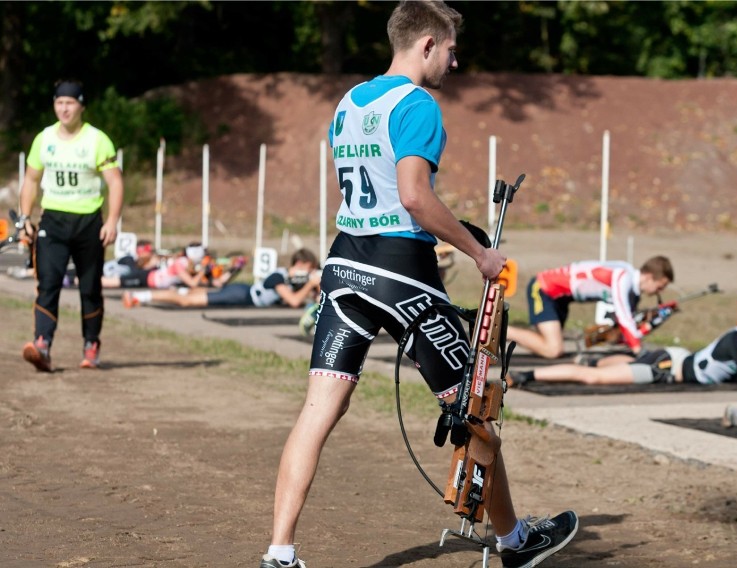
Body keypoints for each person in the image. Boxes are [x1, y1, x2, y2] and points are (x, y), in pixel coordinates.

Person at [259, 3, 577, 568]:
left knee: (318, 409)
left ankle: (279, 552)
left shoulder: (350, 102)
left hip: (345, 265)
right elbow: (412, 197)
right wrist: (478, 251)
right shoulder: (418, 105)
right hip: (400, 272)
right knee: (473, 408)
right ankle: (515, 543)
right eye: (451, 50)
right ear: (427, 44)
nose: (455, 62)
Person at [18, 79, 124, 371]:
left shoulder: (97, 140)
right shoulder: (44, 139)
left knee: (89, 287)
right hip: (53, 220)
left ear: (82, 106)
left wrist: (112, 221)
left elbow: (115, 182)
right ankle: (42, 344)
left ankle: (91, 344)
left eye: (70, 103)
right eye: (59, 102)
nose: (64, 109)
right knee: (48, 283)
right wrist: (24, 218)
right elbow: (31, 180)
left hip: (89, 222)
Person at [508, 296, 737, 389]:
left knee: (616, 365)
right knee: (594, 378)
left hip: (672, 359)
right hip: (667, 367)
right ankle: (528, 375)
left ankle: (591, 359)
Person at [505, 256, 674, 359]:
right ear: (650, 277)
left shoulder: (629, 279)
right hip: (544, 289)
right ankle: (500, 329)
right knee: (552, 349)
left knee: (550, 347)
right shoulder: (624, 277)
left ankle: (501, 331)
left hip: (561, 299)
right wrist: (638, 350)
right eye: (660, 286)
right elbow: (624, 317)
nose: (659, 292)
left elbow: (624, 325)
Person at [123, 248, 320, 309]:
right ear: (303, 264)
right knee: (187, 301)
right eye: (310, 270)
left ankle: (143, 296)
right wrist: (311, 283)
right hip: (241, 295)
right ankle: (139, 296)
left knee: (188, 294)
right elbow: (294, 301)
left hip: (241, 292)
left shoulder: (288, 278)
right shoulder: (280, 275)